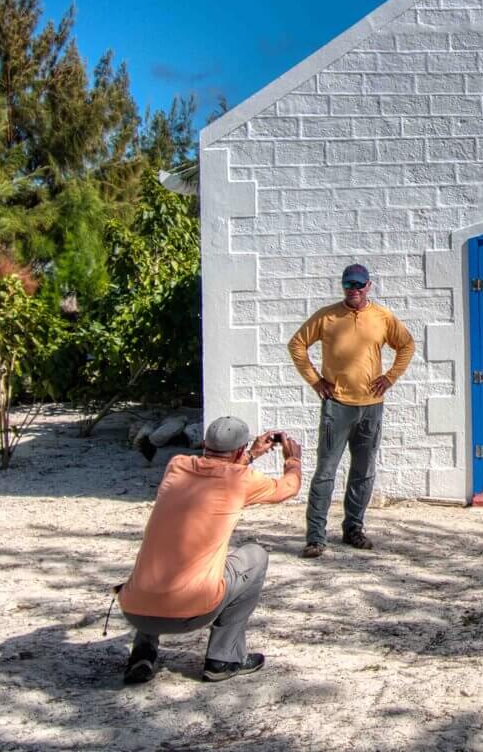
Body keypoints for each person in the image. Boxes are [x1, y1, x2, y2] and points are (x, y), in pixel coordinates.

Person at [117, 415, 302, 685]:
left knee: (164, 555)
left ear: (204, 443)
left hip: (135, 610)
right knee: (255, 555)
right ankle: (223, 658)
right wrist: (292, 460)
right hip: (193, 612)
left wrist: (250, 455)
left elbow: (216, 470)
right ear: (238, 450)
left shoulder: (176, 466)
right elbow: (288, 488)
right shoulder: (241, 479)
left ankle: (142, 653)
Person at [286, 263, 414, 555]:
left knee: (363, 470)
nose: (353, 290)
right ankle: (316, 537)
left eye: (358, 284)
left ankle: (353, 528)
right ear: (342, 286)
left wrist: (390, 377)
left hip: (371, 407)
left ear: (369, 285)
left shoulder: (382, 317)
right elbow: (297, 344)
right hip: (337, 406)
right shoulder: (328, 316)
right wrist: (316, 381)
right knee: (325, 471)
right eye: (348, 285)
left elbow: (406, 345)